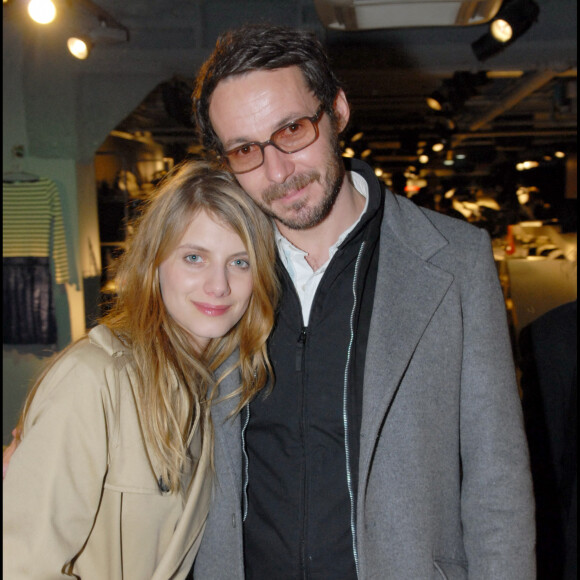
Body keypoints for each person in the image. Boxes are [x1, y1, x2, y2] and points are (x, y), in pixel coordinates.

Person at [190, 24, 535, 578]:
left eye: (293, 130)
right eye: (245, 150)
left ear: (338, 110)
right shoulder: (214, 275)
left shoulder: (456, 261)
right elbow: (140, 383)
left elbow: (497, 479)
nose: (278, 172)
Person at [2, 160, 279, 579]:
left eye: (240, 262)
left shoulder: (221, 388)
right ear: (154, 264)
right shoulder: (95, 378)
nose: (218, 285)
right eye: (194, 257)